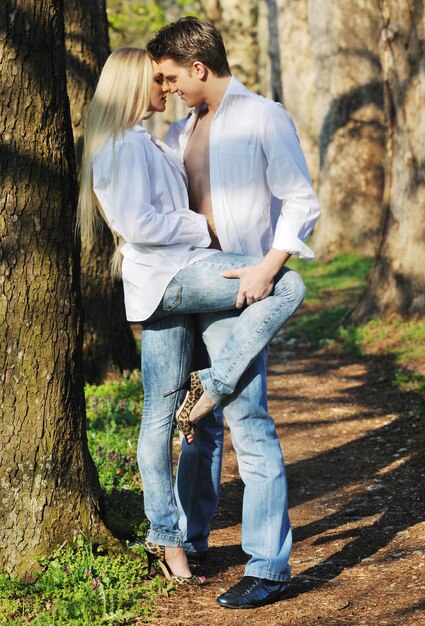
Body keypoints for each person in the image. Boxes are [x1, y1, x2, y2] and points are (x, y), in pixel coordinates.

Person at [77, 47, 311, 588]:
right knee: (287, 283)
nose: (165, 86)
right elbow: (138, 223)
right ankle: (170, 524)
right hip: (176, 277)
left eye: (169, 76)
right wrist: (199, 230)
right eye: (156, 79)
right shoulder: (122, 144)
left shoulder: (160, 137)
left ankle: (183, 539)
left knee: (168, 418)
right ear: (136, 83)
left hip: (176, 279)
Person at [147, 17, 320, 608]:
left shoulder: (263, 117)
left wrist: (268, 268)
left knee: (248, 420)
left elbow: (302, 199)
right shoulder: (178, 132)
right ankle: (192, 540)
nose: (167, 88)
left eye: (172, 77)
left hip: (240, 290)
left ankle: (269, 565)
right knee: (197, 425)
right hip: (189, 285)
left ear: (198, 67)